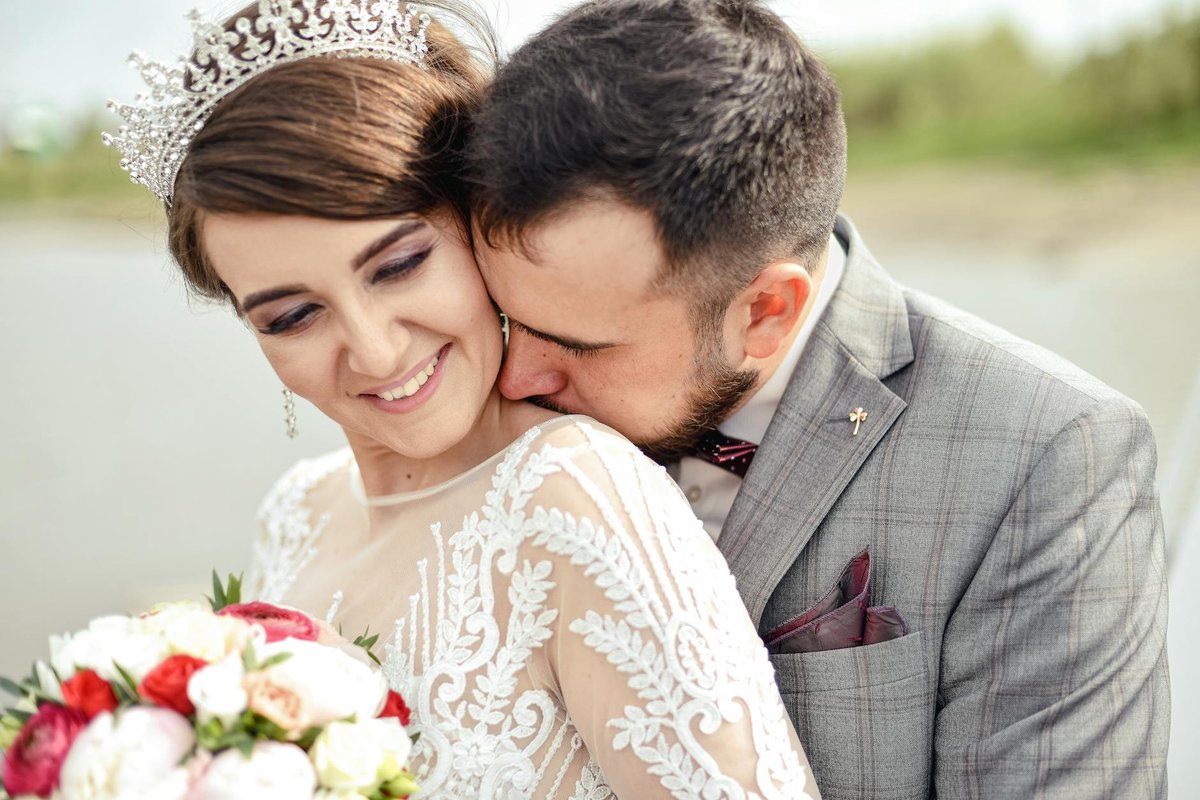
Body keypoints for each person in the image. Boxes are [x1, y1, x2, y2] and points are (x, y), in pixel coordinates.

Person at [104, 1, 820, 797]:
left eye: (399, 264)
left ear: (477, 221)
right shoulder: (296, 513)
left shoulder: (574, 496)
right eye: (294, 315)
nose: (375, 349)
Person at [466, 0, 1171, 797]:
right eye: (505, 317)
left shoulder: (1050, 454)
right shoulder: (473, 411)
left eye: (580, 342)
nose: (515, 377)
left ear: (765, 312)